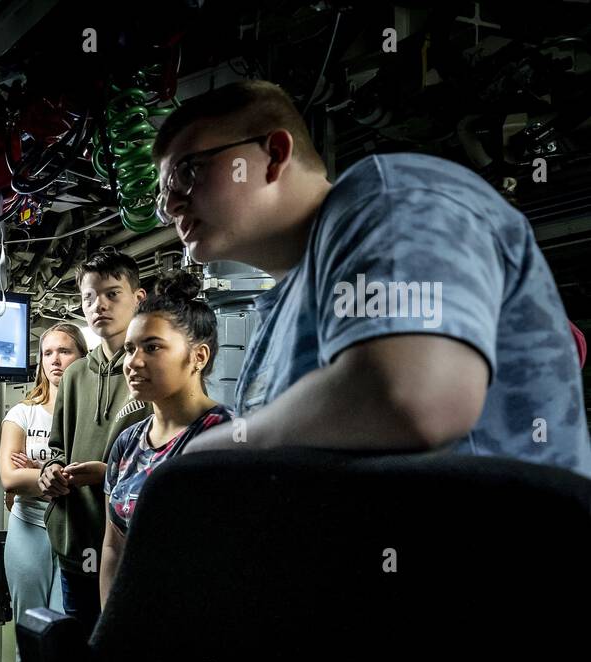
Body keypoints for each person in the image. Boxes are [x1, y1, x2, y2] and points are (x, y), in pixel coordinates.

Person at [147, 79, 591, 475]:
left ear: (274, 154)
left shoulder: (391, 197)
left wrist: (209, 452)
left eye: (189, 170)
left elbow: (416, 399)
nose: (172, 206)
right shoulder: (283, 310)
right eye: (163, 195)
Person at [38, 250, 152, 636]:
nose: (98, 305)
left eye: (112, 294)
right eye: (89, 297)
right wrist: (50, 472)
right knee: (79, 659)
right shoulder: (73, 376)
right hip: (76, 541)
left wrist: (109, 476)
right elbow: (56, 448)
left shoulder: (151, 369)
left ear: (138, 298)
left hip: (132, 548)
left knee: (124, 657)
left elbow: (168, 453)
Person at [99, 275, 232, 606]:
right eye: (130, 349)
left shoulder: (225, 439)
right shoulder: (127, 443)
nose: (134, 362)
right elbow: (113, 546)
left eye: (152, 347)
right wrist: (108, 630)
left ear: (198, 357)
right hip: (134, 620)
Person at [0, 321, 88, 662]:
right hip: (28, 529)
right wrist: (55, 475)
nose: (56, 359)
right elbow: (8, 476)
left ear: (82, 357)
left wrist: (34, 472)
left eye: (65, 350)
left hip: (75, 529)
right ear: (39, 362)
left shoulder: (90, 415)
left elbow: (102, 471)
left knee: (64, 632)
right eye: (48, 352)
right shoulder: (22, 413)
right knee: (30, 632)